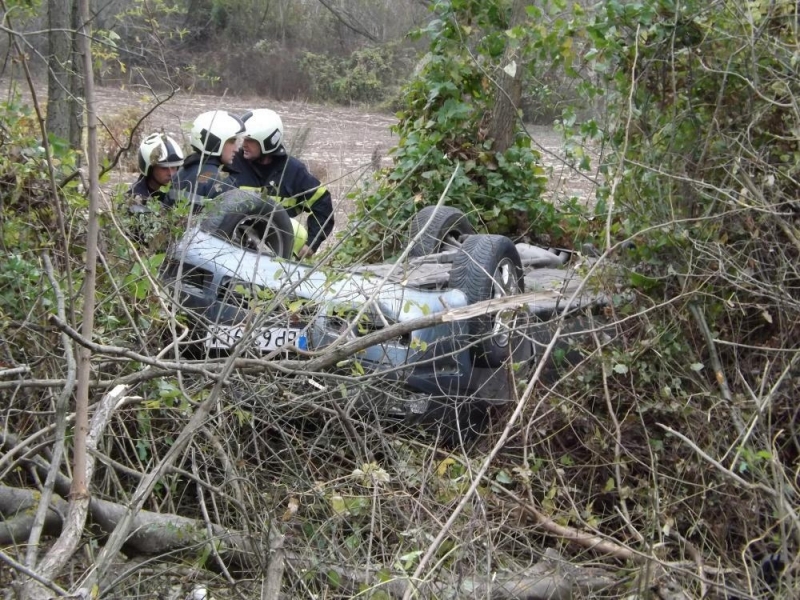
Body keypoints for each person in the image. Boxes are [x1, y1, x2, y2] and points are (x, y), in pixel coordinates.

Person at [227, 108, 333, 258]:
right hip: (231, 250)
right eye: (244, 139)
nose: (244, 144)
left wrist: (312, 243)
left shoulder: (293, 171)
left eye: (250, 140)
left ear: (268, 142)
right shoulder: (231, 164)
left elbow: (323, 204)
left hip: (276, 256)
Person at [170, 110, 244, 204]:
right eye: (232, 141)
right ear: (215, 141)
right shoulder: (220, 182)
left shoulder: (180, 174)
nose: (236, 149)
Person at [128, 133, 185, 205]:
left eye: (174, 167)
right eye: (164, 168)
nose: (171, 173)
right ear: (149, 169)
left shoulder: (182, 193)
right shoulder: (132, 200)